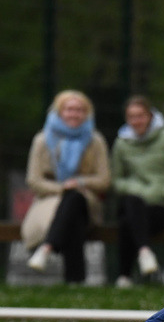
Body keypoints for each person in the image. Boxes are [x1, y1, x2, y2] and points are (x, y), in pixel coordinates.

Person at [21, 90, 111, 284]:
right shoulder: (42, 140)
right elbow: (34, 181)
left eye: (80, 110)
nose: (74, 114)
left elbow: (104, 180)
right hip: (49, 200)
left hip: (87, 200)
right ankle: (75, 281)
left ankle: (47, 248)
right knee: (72, 211)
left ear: (87, 113)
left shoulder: (95, 141)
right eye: (69, 109)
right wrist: (63, 189)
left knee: (76, 200)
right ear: (60, 112)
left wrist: (79, 183)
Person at [111, 95, 164, 287]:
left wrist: (160, 192)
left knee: (127, 219)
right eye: (132, 116)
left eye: (140, 115)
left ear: (150, 116)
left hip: (162, 207)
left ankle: (124, 276)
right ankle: (144, 252)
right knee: (132, 204)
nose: (136, 121)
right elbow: (116, 180)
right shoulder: (121, 144)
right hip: (134, 203)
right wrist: (137, 190)